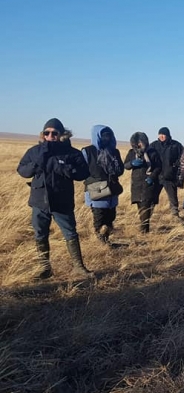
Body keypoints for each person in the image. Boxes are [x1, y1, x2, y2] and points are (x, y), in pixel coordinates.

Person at [17, 118, 93, 279]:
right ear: (43, 134)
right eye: (47, 133)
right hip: (39, 201)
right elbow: (22, 170)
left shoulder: (72, 153)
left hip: (62, 201)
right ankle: (44, 268)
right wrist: (36, 165)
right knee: (40, 234)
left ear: (62, 134)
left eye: (54, 133)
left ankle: (79, 267)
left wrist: (66, 169)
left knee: (70, 233)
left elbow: (83, 173)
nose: (50, 135)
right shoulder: (35, 151)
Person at [82, 125, 124, 245]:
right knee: (99, 216)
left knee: (111, 217)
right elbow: (82, 170)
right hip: (97, 188)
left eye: (109, 134)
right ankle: (101, 243)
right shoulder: (87, 151)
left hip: (112, 187)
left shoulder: (115, 151)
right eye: (104, 134)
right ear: (97, 136)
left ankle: (106, 241)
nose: (107, 137)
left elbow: (120, 170)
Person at [124, 132, 162, 233]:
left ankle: (144, 230)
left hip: (148, 183)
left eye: (140, 143)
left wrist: (152, 177)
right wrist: (132, 163)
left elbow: (159, 167)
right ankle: (143, 226)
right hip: (136, 184)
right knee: (140, 206)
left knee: (146, 206)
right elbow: (125, 165)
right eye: (137, 144)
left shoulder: (152, 152)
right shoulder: (132, 153)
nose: (139, 146)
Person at [150, 127, 183, 219]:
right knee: (152, 196)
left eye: (164, 134)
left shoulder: (176, 145)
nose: (162, 136)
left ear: (168, 135)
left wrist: (175, 166)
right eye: (160, 134)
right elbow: (148, 158)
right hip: (156, 176)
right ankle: (148, 214)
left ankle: (175, 215)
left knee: (172, 197)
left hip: (169, 176)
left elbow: (183, 157)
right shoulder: (153, 145)